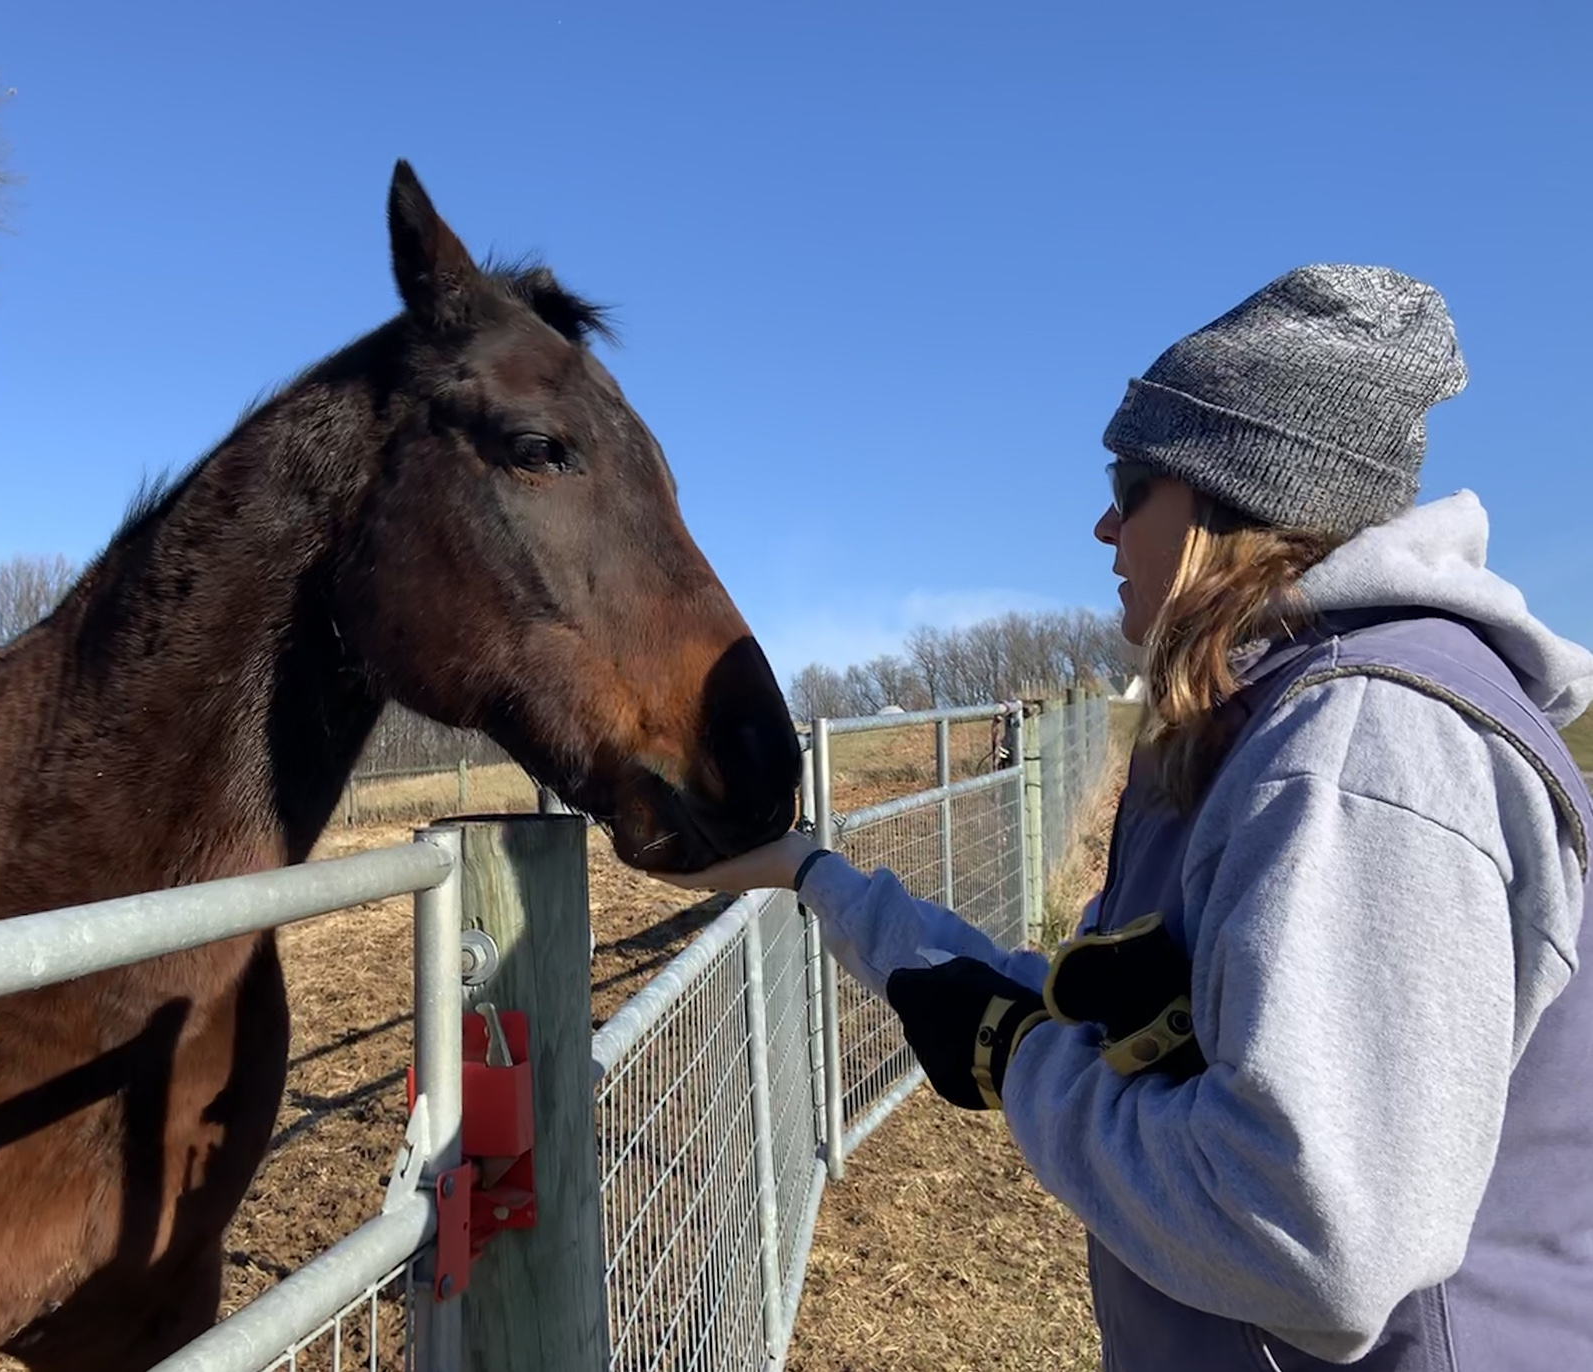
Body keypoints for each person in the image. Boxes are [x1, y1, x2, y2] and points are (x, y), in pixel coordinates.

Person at [659, 264, 1593, 1371]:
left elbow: (1310, 1242)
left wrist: (1017, 1061)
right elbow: (1089, 1027)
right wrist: (808, 872)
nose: (1103, 524)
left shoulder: (1361, 749)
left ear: (1221, 497)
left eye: (1128, 482)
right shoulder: (1251, 726)